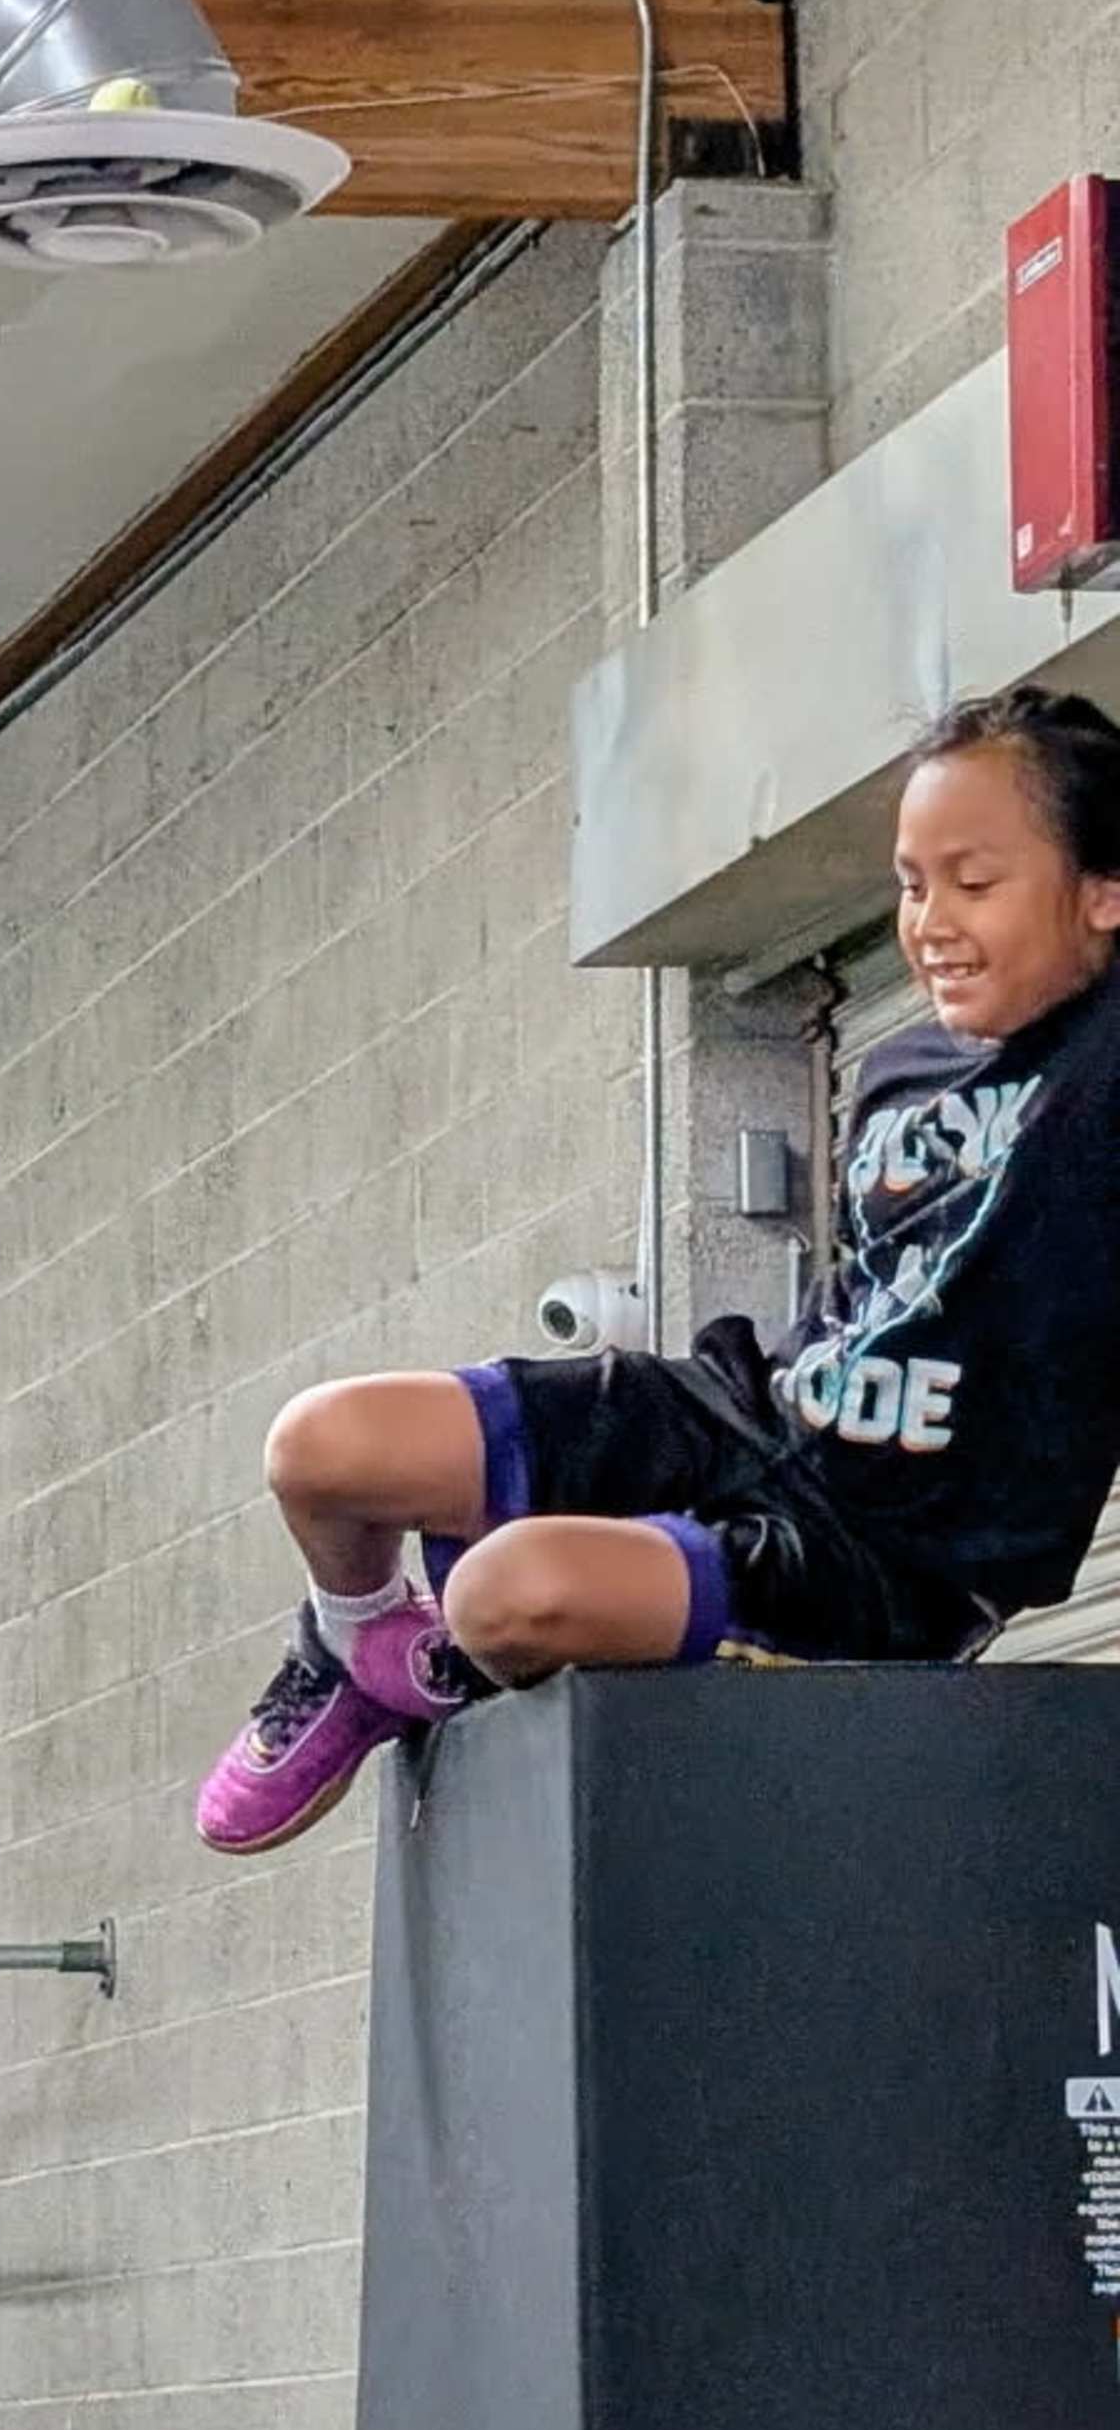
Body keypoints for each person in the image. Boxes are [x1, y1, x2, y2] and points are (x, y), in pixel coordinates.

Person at [197, 682, 1120, 1854]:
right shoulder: (896, 1071)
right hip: (755, 1412)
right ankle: (359, 1648)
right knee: (321, 1449)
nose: (930, 922)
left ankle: (490, 1639)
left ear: (1103, 891)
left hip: (884, 1558)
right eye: (910, 882)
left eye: (975, 883)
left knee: (501, 1592)